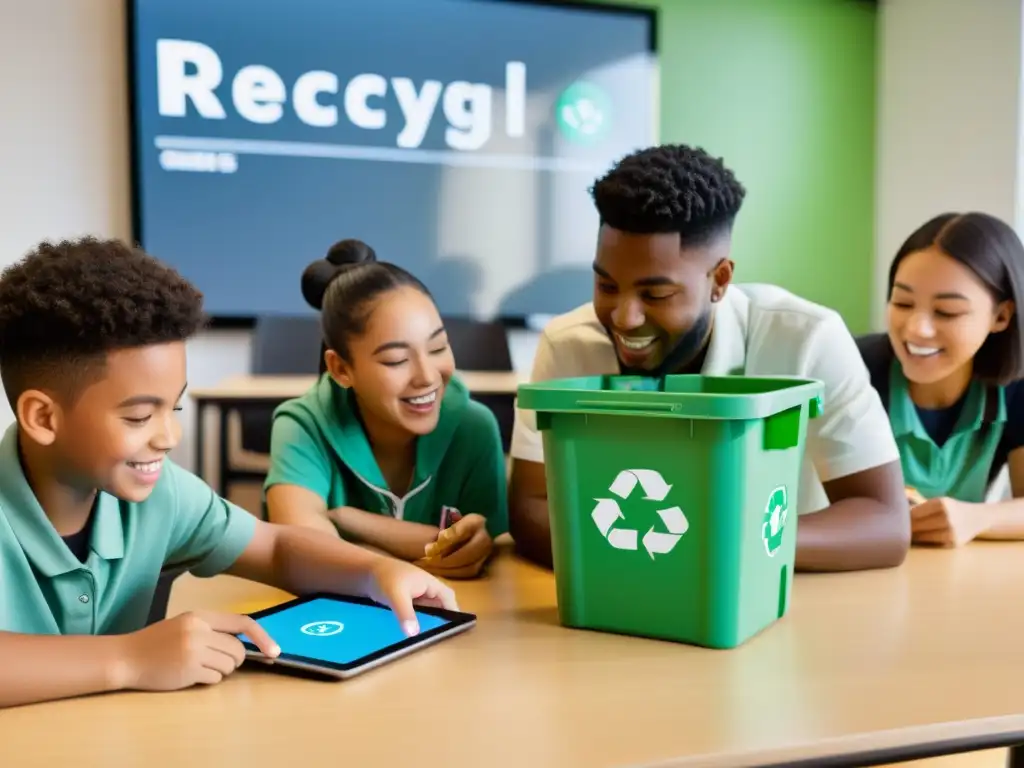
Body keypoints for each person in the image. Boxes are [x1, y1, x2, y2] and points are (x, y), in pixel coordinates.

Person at [0, 237, 458, 709]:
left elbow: (276, 548)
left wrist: (374, 571)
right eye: (139, 417)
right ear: (43, 418)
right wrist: (130, 658)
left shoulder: (163, 494)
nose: (169, 436)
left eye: (173, 406)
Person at [508, 144, 910, 572]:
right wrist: (658, 553)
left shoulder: (807, 339)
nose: (624, 317)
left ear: (719, 280)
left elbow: (884, 523)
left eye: (656, 294)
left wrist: (721, 545)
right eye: (607, 286)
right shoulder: (568, 344)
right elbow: (531, 506)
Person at [264, 239, 508, 579]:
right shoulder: (302, 426)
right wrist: (407, 551)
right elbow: (304, 548)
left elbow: (475, 546)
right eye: (396, 360)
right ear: (341, 369)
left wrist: (346, 520)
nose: (427, 377)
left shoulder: (474, 427)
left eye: (438, 346)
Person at [856, 212, 1024, 547]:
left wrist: (976, 517)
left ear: (1002, 316)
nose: (917, 329)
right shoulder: (853, 369)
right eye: (902, 302)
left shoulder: (1016, 387)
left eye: (946, 311)